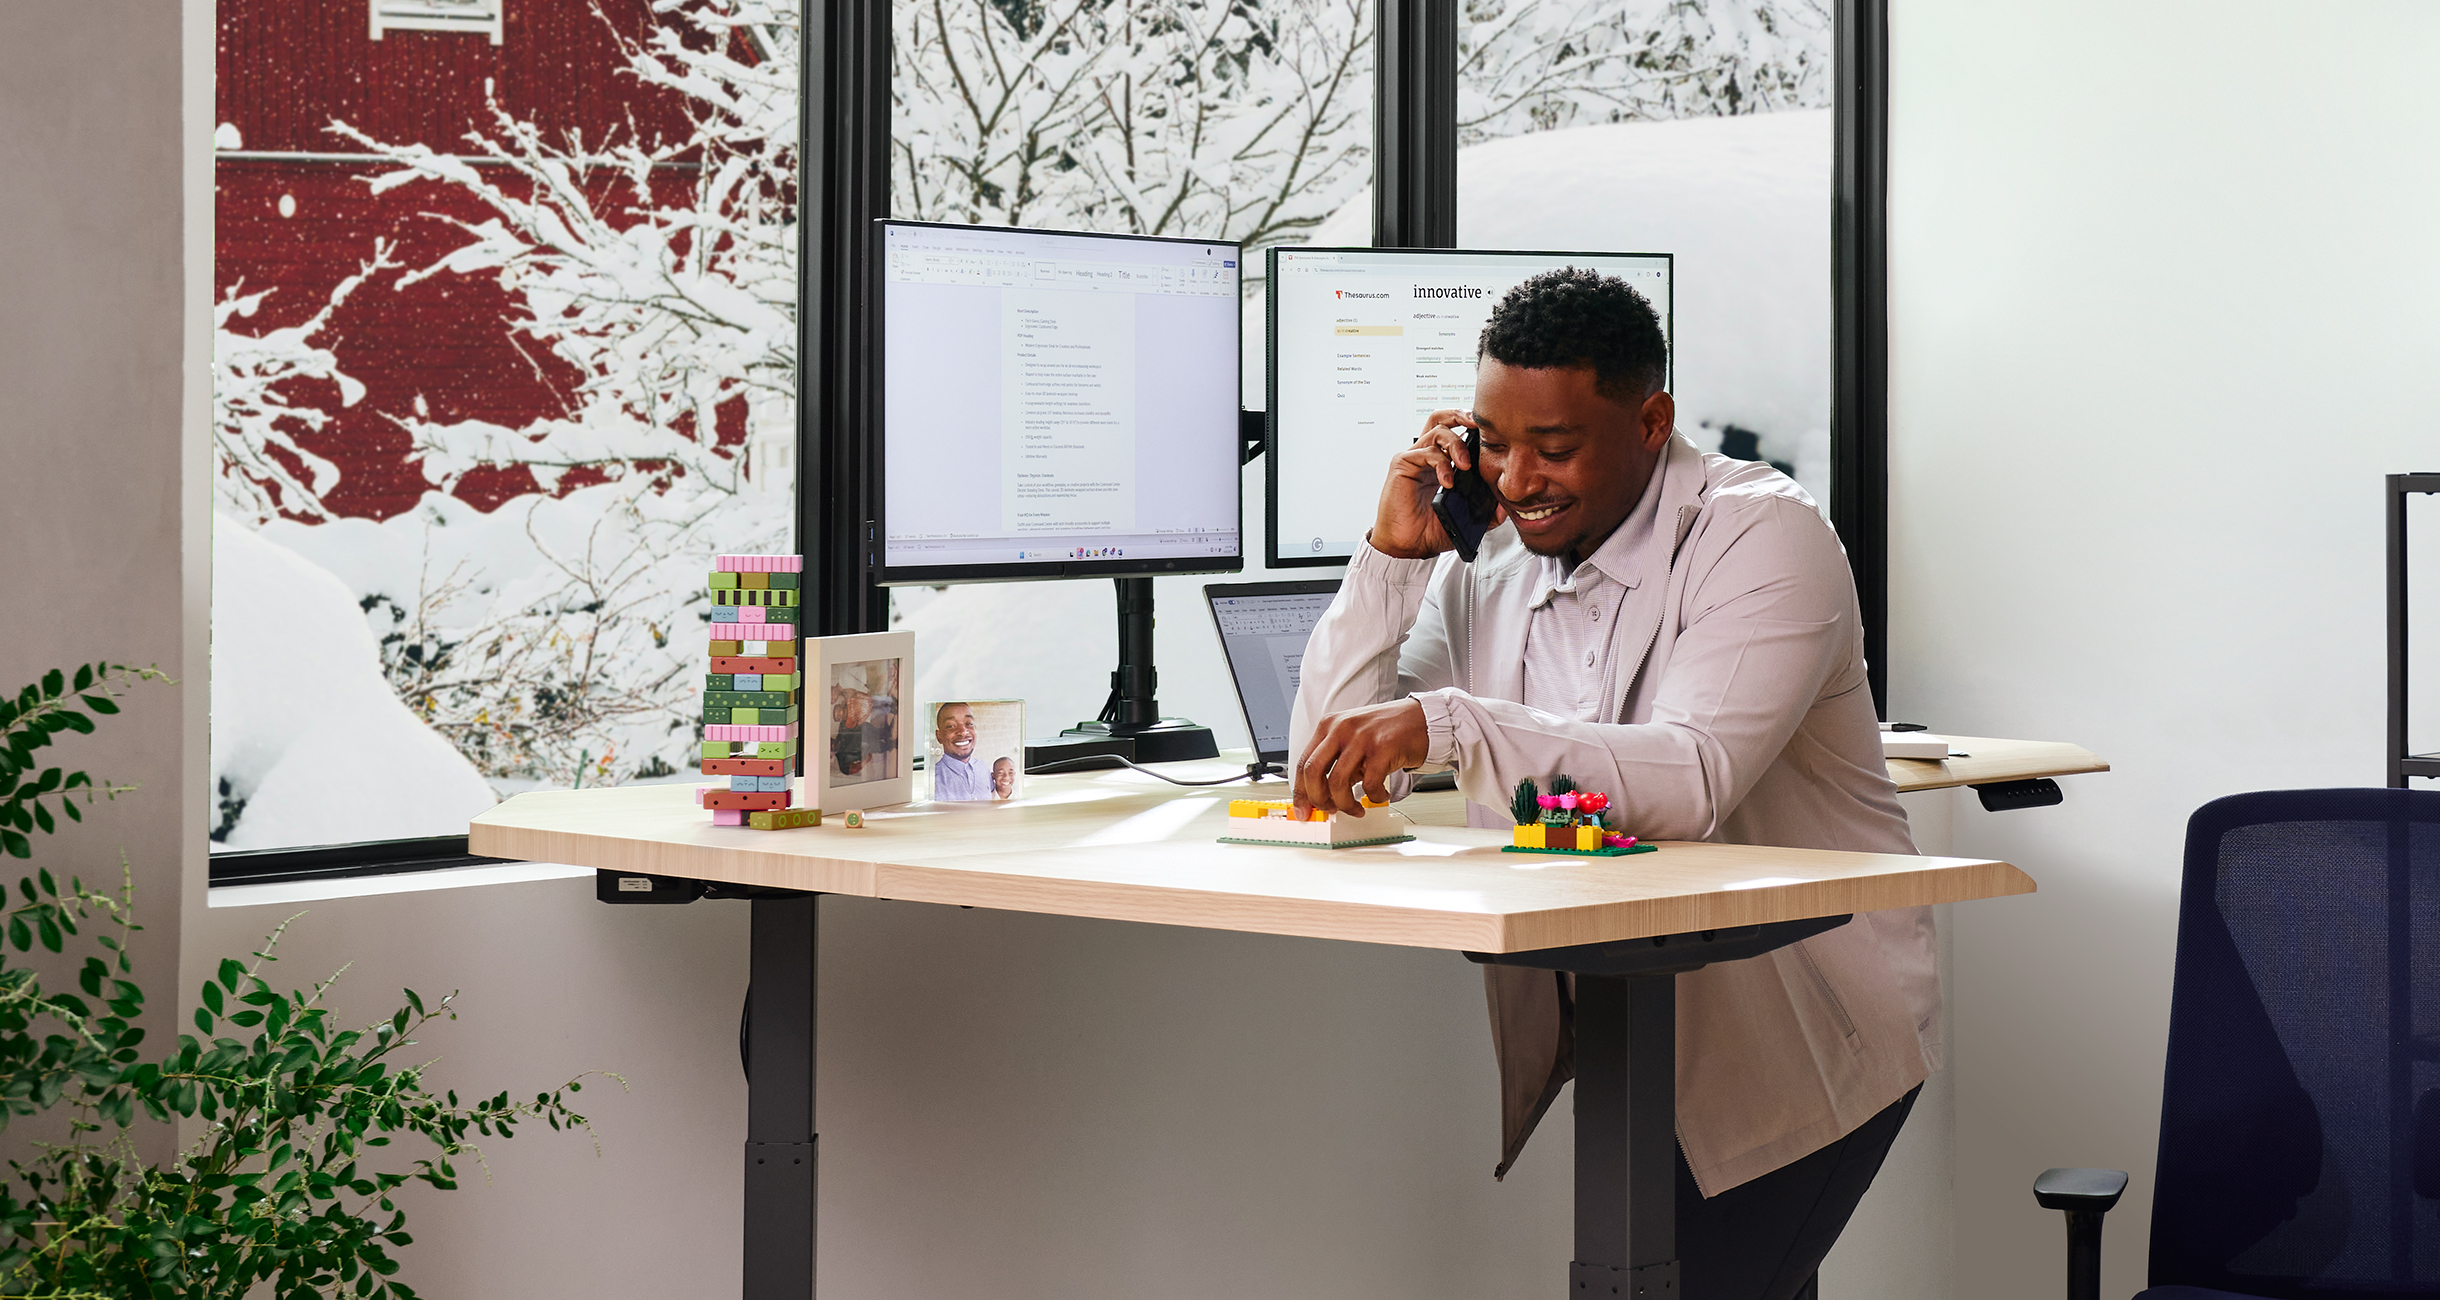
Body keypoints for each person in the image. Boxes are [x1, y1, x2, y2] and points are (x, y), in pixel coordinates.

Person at [1288, 267, 1932, 1300]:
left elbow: (1692, 773)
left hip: (1799, 1020)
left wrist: (1452, 722)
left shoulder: (1763, 534)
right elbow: (1334, 769)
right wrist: (1389, 563)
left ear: (1651, 420)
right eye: (1493, 443)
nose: (1515, 479)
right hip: (1634, 1015)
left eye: (1554, 448)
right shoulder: (1484, 561)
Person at [930, 702, 993, 800]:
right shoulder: (933, 778)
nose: (963, 732)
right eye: (951, 726)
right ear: (939, 736)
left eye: (969, 724)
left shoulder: (983, 767)